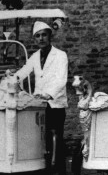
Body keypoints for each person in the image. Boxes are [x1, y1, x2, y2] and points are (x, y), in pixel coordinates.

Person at [8, 21, 68, 165]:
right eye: (37, 36)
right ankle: (44, 167)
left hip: (55, 104)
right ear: (34, 39)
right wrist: (13, 77)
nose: (41, 39)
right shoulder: (35, 56)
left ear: (49, 36)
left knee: (56, 138)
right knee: (41, 138)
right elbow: (25, 70)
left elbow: (61, 79)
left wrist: (48, 94)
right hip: (39, 105)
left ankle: (58, 169)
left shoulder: (60, 55)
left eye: (44, 35)